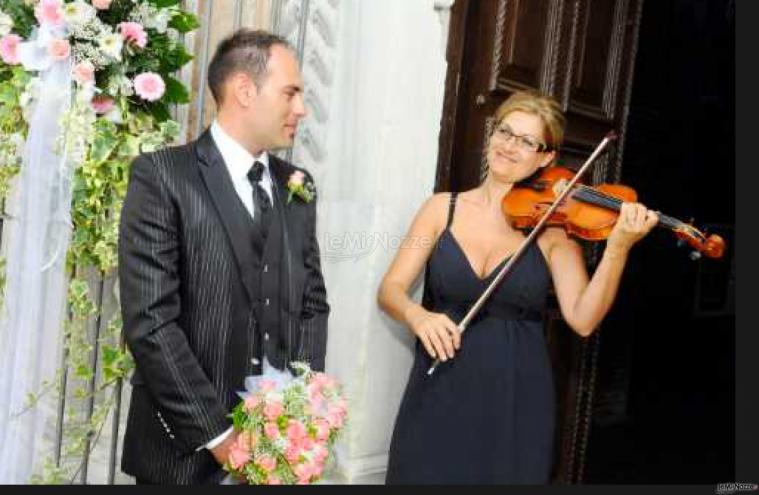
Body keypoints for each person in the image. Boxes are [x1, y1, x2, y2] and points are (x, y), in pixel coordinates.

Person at [378, 89, 658, 484]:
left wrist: (618, 248)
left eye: (526, 141)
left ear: (546, 157)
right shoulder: (442, 209)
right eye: (505, 131)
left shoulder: (554, 232)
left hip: (514, 393)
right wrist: (417, 315)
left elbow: (583, 319)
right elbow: (390, 288)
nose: (509, 146)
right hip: (440, 383)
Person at [118, 29, 329, 484]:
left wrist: (302, 417)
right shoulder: (162, 177)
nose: (301, 109)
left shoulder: (300, 185)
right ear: (245, 91)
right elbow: (151, 321)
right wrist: (220, 438)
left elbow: (311, 305)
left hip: (278, 455)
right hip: (182, 455)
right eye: (291, 92)